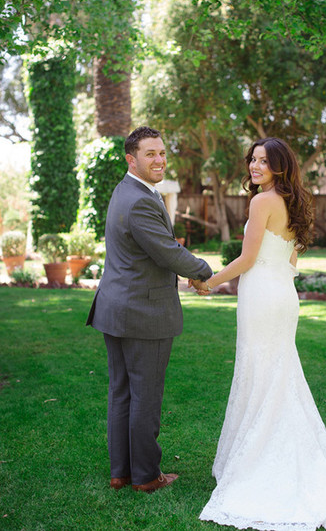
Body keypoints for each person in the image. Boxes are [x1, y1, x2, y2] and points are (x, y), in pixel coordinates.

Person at [194, 137, 326, 530]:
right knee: (278, 372)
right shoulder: (292, 202)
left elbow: (247, 259)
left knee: (261, 371)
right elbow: (292, 258)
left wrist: (209, 282)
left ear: (279, 166)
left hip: (263, 295)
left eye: (264, 161)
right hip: (283, 294)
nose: (255, 166)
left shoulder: (262, 202)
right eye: (253, 159)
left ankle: (258, 460)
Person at [86, 126, 212, 493]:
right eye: (150, 154)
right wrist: (204, 271)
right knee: (144, 396)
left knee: (122, 392)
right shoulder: (139, 199)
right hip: (142, 312)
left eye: (162, 152)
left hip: (117, 308)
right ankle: (145, 476)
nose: (159, 160)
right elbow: (167, 252)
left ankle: (121, 472)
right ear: (131, 159)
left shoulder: (126, 190)